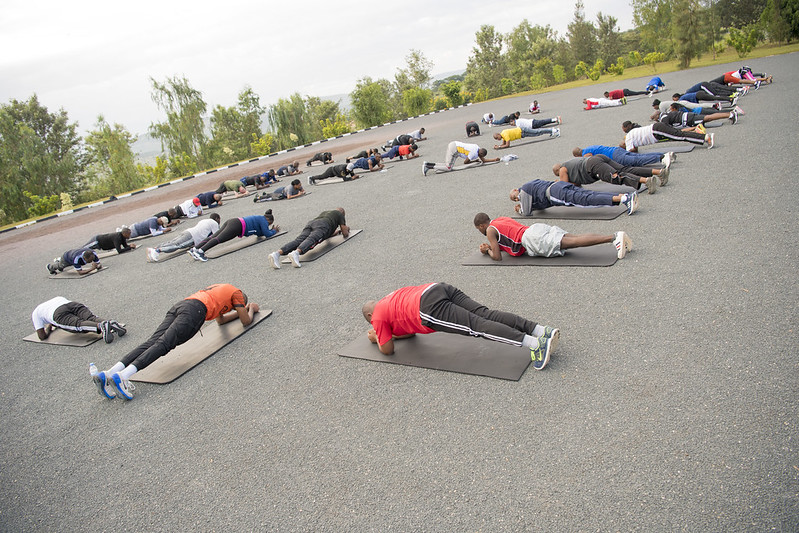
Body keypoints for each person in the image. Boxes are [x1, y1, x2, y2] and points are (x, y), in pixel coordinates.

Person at [91, 284, 259, 400]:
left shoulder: (222, 290)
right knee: (164, 344)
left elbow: (220, 321)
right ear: (241, 301)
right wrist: (250, 309)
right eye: (237, 307)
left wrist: (237, 311)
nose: (234, 309)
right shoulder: (237, 293)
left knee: (152, 341)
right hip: (195, 312)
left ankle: (108, 373)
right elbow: (245, 321)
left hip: (183, 305)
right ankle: (123, 376)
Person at [362, 283, 559, 370]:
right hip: (437, 288)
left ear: (370, 316)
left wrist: (377, 337)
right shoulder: (389, 299)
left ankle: (536, 344)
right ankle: (542, 330)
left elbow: (387, 350)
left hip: (428, 308)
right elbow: (409, 334)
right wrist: (392, 334)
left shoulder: (377, 318)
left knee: (477, 326)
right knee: (484, 314)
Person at [474, 212, 632, 260]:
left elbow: (497, 257)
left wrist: (487, 251)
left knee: (575, 242)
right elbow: (508, 240)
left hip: (531, 239)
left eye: (479, 229)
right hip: (535, 229)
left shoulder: (489, 230)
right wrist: (493, 246)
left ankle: (614, 237)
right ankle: (617, 238)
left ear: (482, 225)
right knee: (575, 237)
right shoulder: (500, 219)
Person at [268, 208, 348, 269]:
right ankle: (296, 253)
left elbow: (326, 234)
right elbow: (345, 233)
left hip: (312, 223)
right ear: (342, 213)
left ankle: (276, 254)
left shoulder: (327, 213)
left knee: (299, 240)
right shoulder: (339, 214)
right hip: (323, 225)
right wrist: (346, 229)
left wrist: (337, 232)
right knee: (313, 239)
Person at [510, 179, 639, 216]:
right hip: (559, 186)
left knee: (587, 200)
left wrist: (520, 210)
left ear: (517, 190)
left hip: (556, 194)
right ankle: (622, 197)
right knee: (589, 194)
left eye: (514, 197)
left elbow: (526, 212)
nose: (517, 199)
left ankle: (625, 199)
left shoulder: (524, 191)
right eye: (515, 199)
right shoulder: (531, 184)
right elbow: (541, 205)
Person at [188, 210, 279, 262]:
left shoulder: (259, 219)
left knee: (213, 236)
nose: (268, 225)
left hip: (234, 221)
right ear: (268, 220)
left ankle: (195, 249)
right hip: (237, 226)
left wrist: (269, 230)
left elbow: (260, 233)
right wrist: (274, 231)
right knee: (219, 239)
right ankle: (201, 251)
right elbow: (267, 234)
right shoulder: (263, 220)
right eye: (269, 224)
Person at [553, 155, 667, 194]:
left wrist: (558, 182)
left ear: (557, 172)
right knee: (626, 170)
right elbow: (577, 184)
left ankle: (646, 181)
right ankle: (659, 172)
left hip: (593, 166)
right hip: (597, 158)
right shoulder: (570, 163)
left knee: (617, 177)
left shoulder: (563, 169)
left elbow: (565, 186)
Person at [32, 296, 125, 343]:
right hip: (71, 304)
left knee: (78, 325)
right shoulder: (55, 299)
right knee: (91, 318)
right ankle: (109, 323)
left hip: (57, 313)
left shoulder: (36, 313)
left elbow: (42, 336)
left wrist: (49, 328)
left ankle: (101, 326)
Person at [146, 213, 221, 262]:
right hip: (193, 237)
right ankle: (158, 251)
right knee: (177, 245)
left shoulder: (205, 220)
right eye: (219, 219)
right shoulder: (214, 223)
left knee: (172, 242)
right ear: (217, 218)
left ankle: (154, 249)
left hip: (188, 231)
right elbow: (217, 235)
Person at [621, 120, 713, 151]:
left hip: (656, 130)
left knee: (680, 136)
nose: (623, 131)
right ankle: (702, 136)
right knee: (679, 135)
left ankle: (706, 137)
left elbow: (630, 152)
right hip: (657, 129)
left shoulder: (628, 138)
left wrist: (622, 150)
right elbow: (635, 149)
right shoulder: (632, 133)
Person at [422, 141, 500, 175]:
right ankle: (428, 167)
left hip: (455, 145)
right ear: (481, 153)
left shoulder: (477, 147)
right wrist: (474, 161)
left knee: (448, 164)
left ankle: (427, 163)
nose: (481, 157)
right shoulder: (473, 153)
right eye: (482, 156)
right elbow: (465, 162)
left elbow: (484, 160)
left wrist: (494, 159)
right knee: (448, 167)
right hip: (455, 149)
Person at [573, 145, 673, 168]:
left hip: (614, 156)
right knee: (639, 156)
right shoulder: (589, 148)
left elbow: (589, 158)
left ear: (578, 155)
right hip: (616, 150)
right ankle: (663, 155)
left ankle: (661, 158)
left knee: (637, 160)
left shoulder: (585, 153)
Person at [660, 103, 739, 128]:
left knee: (709, 118)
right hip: (689, 117)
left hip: (690, 117)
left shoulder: (664, 117)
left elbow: (667, 127)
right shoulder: (667, 114)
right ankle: (729, 114)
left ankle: (730, 114)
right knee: (709, 117)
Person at [493, 124, 560, 149]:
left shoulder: (504, 134)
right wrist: (499, 146)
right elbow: (503, 144)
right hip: (522, 134)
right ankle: (551, 131)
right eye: (496, 139)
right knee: (537, 134)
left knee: (537, 131)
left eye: (497, 137)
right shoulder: (503, 135)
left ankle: (554, 130)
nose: (497, 139)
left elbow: (507, 145)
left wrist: (499, 147)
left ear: (499, 134)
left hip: (522, 131)